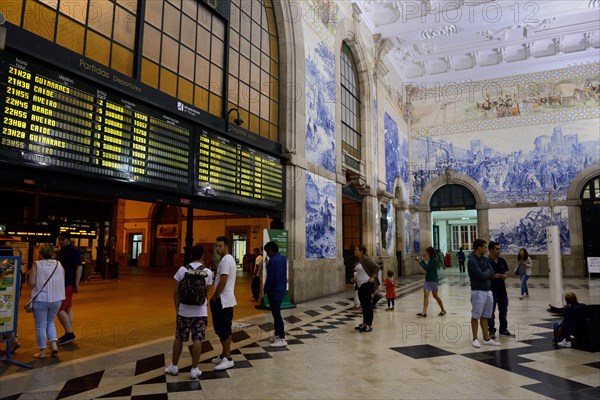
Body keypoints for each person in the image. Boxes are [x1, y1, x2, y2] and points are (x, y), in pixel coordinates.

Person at [164, 245, 213, 380]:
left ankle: (174, 366)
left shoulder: (182, 270)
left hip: (183, 311)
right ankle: (194, 369)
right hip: (200, 312)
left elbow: (175, 292)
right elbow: (207, 291)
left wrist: (177, 308)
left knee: (179, 338)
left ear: (191, 255)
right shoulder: (208, 272)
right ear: (203, 256)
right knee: (197, 339)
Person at [28, 243, 65, 359]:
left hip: (41, 300)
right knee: (50, 322)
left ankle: (42, 352)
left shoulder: (37, 265)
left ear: (40, 253)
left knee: (41, 326)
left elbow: (32, 283)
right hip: (57, 299)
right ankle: (53, 345)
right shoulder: (58, 264)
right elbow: (62, 279)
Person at [210, 236, 237, 371]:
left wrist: (215, 296)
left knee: (222, 329)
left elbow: (223, 280)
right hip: (227, 299)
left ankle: (228, 358)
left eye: (220, 246)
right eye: (217, 246)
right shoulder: (228, 259)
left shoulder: (226, 261)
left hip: (222, 300)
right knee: (225, 328)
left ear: (226, 246)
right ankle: (224, 355)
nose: (218, 248)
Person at [467, 238, 500, 348]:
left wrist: (486, 273)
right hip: (477, 291)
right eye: (485, 247)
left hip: (487, 291)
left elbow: (491, 273)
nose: (486, 249)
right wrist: (486, 272)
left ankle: (486, 338)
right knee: (476, 315)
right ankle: (475, 338)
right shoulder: (472, 260)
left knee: (485, 316)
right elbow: (480, 275)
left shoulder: (485, 259)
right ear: (479, 248)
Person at [56, 233, 82, 346]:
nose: (60, 242)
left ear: (68, 240)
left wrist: (76, 282)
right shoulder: (62, 250)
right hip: (63, 282)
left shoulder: (73, 251)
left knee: (59, 308)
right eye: (59, 240)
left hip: (68, 283)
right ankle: (68, 332)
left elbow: (79, 266)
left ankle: (69, 333)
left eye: (62, 240)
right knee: (67, 308)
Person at [263, 241, 287, 347]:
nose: (267, 254)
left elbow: (270, 278)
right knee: (276, 314)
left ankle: (282, 338)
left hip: (274, 291)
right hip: (281, 290)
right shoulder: (283, 259)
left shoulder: (272, 261)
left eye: (267, 252)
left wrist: (265, 289)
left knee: (277, 315)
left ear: (270, 250)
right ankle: (276, 335)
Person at [487, 241, 514, 338]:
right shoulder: (487, 262)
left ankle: (503, 329)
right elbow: (485, 274)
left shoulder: (502, 260)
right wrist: (494, 276)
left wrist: (505, 275)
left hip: (502, 291)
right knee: (491, 312)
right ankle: (491, 330)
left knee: (503, 311)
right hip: (491, 291)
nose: (499, 251)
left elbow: (506, 271)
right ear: (491, 250)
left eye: (499, 249)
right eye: (496, 249)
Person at [353, 244, 379, 333]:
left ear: (361, 251)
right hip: (360, 285)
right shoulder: (360, 261)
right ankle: (364, 323)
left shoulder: (366, 260)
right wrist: (355, 279)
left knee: (367, 305)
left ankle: (369, 325)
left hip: (366, 285)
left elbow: (376, 267)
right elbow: (362, 272)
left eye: (356, 250)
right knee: (364, 305)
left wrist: (373, 277)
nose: (354, 251)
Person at [415, 246, 446, 317]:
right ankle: (424, 312)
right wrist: (421, 261)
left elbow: (427, 268)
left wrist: (420, 262)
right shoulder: (430, 260)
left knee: (435, 296)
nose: (425, 253)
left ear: (429, 252)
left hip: (433, 280)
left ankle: (443, 310)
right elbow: (427, 267)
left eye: (426, 252)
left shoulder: (434, 261)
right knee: (426, 295)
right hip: (427, 280)